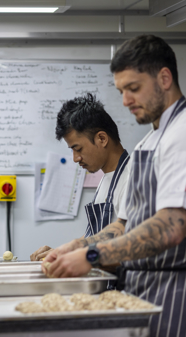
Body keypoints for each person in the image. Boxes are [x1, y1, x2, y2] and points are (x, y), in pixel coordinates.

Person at [42, 35, 186, 337]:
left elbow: (169, 228)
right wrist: (77, 246)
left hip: (183, 286)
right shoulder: (149, 143)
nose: (125, 101)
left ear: (164, 78)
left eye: (133, 89)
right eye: (121, 91)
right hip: (145, 287)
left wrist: (92, 257)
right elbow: (124, 225)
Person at [30, 93, 130, 261]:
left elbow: (128, 249)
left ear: (102, 138)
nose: (75, 158)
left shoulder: (133, 180)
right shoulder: (106, 179)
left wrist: (74, 256)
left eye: (78, 149)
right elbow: (96, 237)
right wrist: (61, 254)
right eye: (72, 151)